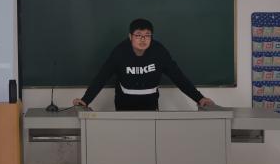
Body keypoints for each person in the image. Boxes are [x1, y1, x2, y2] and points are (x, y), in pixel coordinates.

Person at [73, 18, 214, 111]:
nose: (143, 39)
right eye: (138, 35)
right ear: (130, 36)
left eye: (147, 35)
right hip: (124, 107)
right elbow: (101, 77)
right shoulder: (119, 52)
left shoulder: (159, 52)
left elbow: (178, 77)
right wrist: (85, 100)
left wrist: (199, 98)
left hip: (150, 106)